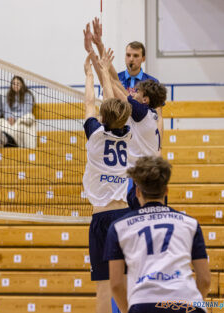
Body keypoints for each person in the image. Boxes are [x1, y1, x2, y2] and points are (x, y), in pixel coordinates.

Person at [105, 156, 211, 313]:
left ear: (138, 192)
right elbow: (205, 280)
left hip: (143, 303)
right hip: (187, 301)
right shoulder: (190, 224)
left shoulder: (119, 227)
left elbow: (115, 284)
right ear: (166, 191)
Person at [84, 23, 168, 210]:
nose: (134, 92)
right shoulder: (144, 111)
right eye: (128, 54)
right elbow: (115, 82)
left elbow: (113, 84)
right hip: (134, 165)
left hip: (143, 168)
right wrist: (98, 45)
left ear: (144, 99)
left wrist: (91, 67)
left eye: (137, 92)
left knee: (141, 213)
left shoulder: (141, 111)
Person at [83, 50, 132, 313]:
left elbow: (91, 102)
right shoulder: (128, 135)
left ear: (103, 118)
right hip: (126, 216)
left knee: (104, 285)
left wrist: (89, 74)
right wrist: (103, 71)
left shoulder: (95, 137)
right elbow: (109, 103)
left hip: (102, 219)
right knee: (125, 281)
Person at [0, 76, 36, 148]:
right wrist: (9, 117)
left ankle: (3, 139)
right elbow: (6, 109)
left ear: (22, 84)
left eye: (18, 83)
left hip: (21, 119)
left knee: (22, 125)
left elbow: (26, 111)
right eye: (13, 83)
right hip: (10, 121)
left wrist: (14, 117)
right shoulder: (8, 95)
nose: (15, 85)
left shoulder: (28, 95)